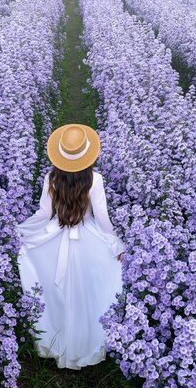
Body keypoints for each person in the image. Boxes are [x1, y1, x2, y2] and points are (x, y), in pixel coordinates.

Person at [16, 123, 125, 370]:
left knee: (56, 293)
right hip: (88, 238)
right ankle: (84, 342)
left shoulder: (51, 177)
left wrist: (21, 230)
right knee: (89, 293)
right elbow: (102, 218)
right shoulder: (95, 179)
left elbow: (44, 214)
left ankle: (58, 339)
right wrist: (116, 244)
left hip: (56, 235)